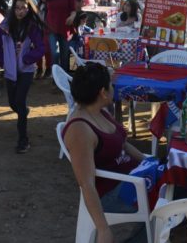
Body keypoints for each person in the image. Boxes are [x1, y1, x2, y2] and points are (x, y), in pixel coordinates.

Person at [62, 62, 148, 243]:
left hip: (133, 181)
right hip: (113, 193)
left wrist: (151, 163)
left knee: (179, 188)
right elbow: (86, 184)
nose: (113, 88)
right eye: (111, 84)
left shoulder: (100, 111)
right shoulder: (80, 129)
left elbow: (124, 145)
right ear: (102, 92)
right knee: (174, 199)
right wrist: (103, 229)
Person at [0, 0, 46, 153]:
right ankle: (23, 112)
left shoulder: (32, 27)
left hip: (26, 71)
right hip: (10, 71)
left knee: (20, 102)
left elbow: (41, 48)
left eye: (24, 8)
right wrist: (3, 61)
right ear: (13, 9)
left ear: (29, 10)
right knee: (13, 103)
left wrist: (28, 58)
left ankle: (23, 139)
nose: (20, 11)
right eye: (17, 8)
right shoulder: (5, 26)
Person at [45, 0, 77, 72]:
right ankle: (56, 78)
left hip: (65, 28)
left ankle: (65, 79)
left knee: (64, 55)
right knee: (54, 54)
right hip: (51, 29)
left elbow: (74, 10)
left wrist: (72, 17)